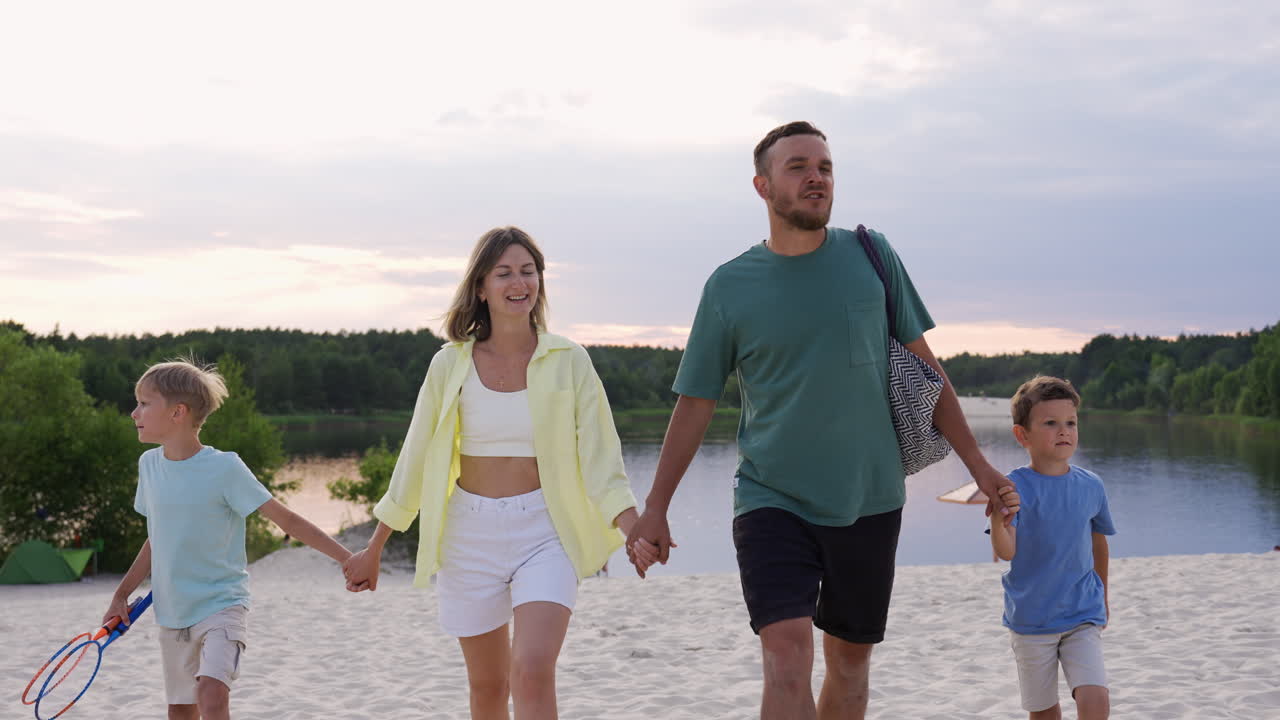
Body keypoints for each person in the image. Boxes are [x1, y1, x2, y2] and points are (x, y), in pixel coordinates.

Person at [624, 120, 1020, 720]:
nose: (816, 177)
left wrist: (981, 466)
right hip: (771, 496)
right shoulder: (730, 287)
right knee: (786, 653)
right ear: (762, 187)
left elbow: (927, 373)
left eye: (825, 167)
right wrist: (656, 505)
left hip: (871, 497)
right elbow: (695, 403)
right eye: (799, 167)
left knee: (850, 664)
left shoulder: (872, 255)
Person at [342, 226, 658, 720]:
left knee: (532, 670)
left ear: (540, 282)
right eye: (505, 272)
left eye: (528, 272)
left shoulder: (569, 361)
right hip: (470, 534)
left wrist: (633, 527)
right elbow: (415, 458)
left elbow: (602, 460)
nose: (519, 282)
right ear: (481, 287)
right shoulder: (450, 365)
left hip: (545, 531)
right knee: (488, 689)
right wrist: (376, 546)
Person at [104, 360, 353, 720]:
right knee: (181, 710)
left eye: (144, 403)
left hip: (222, 605)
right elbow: (156, 537)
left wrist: (347, 558)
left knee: (212, 694)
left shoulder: (225, 468)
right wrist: (120, 594)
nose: (133, 413)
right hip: (172, 612)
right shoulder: (149, 465)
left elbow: (286, 519)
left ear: (178, 412)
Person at [989, 376, 1115, 720]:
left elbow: (1098, 541)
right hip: (1031, 620)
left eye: (1070, 423)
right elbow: (1006, 550)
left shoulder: (1091, 485)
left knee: (1096, 700)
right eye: (1050, 423)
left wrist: (1102, 594)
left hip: (1082, 613)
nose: (1064, 431)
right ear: (1022, 435)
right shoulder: (1013, 487)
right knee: (1045, 713)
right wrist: (1000, 524)